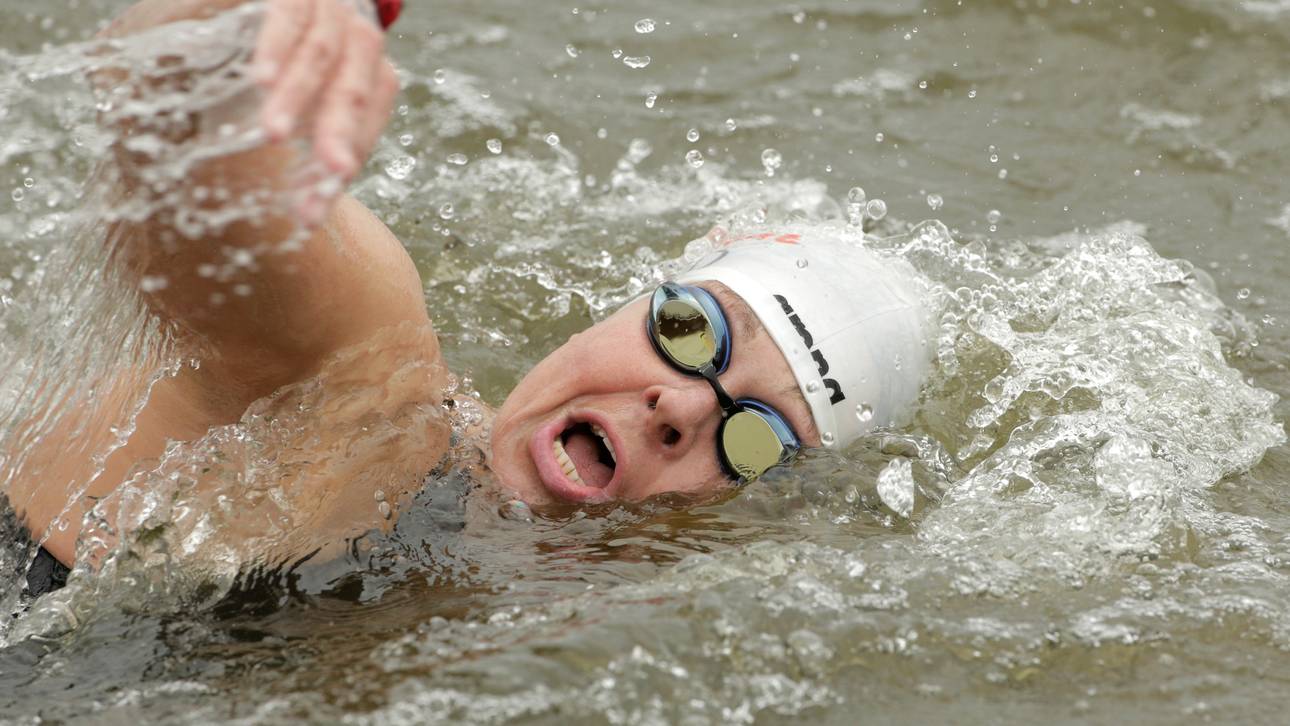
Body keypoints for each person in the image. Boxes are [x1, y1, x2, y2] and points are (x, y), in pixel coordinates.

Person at [5, 0, 932, 573]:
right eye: (692, 330)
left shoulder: (546, 624)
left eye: (757, 439)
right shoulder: (361, 388)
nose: (680, 406)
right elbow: (180, 151)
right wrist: (253, 38)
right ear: (624, 306)